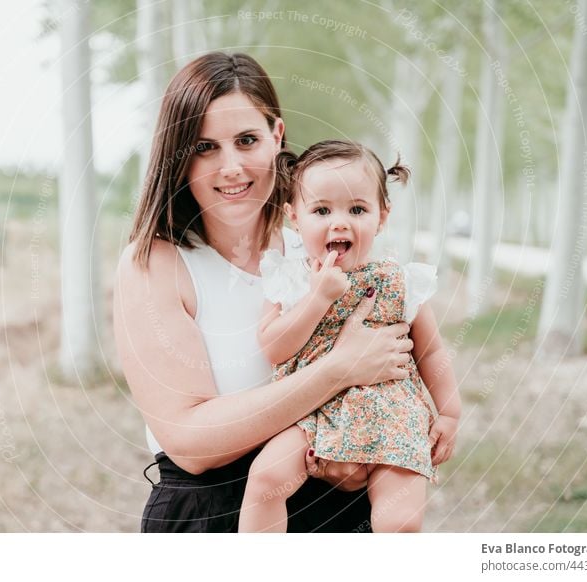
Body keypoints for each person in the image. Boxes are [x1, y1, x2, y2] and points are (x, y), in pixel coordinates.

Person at [113, 52, 415, 533]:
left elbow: (391, 361)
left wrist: (365, 449)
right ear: (178, 156)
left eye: (246, 140)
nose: (230, 166)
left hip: (334, 505)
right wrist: (337, 371)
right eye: (205, 147)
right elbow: (191, 444)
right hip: (210, 518)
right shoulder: (156, 264)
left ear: (276, 137)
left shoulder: (321, 245)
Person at [238, 140, 461, 532]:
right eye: (321, 210)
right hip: (313, 413)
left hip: (391, 416)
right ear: (294, 218)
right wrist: (316, 298)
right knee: (265, 480)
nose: (339, 222)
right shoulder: (290, 279)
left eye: (357, 209)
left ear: (382, 217)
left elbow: (431, 351)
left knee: (400, 520)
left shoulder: (400, 280)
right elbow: (274, 348)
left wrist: (450, 412)